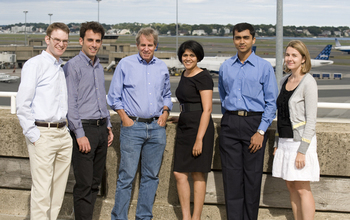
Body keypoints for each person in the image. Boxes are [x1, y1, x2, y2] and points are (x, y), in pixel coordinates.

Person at [107, 27, 172, 220]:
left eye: (150, 45)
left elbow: (167, 95)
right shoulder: (125, 64)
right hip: (132, 127)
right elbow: (113, 96)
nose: (146, 48)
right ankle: (119, 217)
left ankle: (144, 217)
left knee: (151, 177)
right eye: (142, 45)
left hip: (156, 128)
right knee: (126, 177)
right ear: (137, 45)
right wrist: (124, 118)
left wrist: (166, 112)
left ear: (155, 46)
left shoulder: (161, 67)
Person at [218, 22, 278, 220]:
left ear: (253, 39)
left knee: (252, 179)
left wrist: (261, 132)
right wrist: (228, 122)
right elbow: (224, 96)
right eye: (237, 37)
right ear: (233, 40)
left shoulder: (264, 67)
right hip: (230, 124)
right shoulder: (226, 67)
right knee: (231, 178)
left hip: (254, 124)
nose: (241, 41)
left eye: (245, 37)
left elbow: (271, 103)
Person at [16, 22, 72, 220]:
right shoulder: (35, 64)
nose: (61, 44)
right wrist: (34, 136)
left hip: (62, 134)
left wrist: (65, 134)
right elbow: (22, 104)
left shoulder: (59, 67)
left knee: (57, 192)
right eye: (57, 40)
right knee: (41, 191)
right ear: (47, 39)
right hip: (43, 134)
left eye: (64, 41)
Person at [63, 21, 114, 220]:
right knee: (84, 185)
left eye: (97, 41)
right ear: (81, 40)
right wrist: (79, 134)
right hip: (84, 130)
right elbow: (71, 104)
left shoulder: (98, 66)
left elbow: (101, 97)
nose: (94, 44)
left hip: (101, 129)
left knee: (95, 183)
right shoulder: (72, 67)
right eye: (90, 40)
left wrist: (108, 125)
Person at [272, 40, 320, 220]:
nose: (289, 59)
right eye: (287, 54)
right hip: (285, 142)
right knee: (291, 186)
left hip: (300, 143)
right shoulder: (285, 80)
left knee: (302, 188)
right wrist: (277, 142)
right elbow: (282, 114)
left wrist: (302, 151)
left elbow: (311, 121)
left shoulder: (308, 82)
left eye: (294, 55)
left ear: (303, 59)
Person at [170, 40, 214, 220]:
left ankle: (196, 218)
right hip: (184, 126)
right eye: (185, 55)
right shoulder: (185, 74)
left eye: (192, 55)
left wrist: (199, 139)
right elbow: (189, 103)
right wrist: (181, 117)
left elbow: (207, 109)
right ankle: (186, 217)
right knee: (179, 173)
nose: (188, 58)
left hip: (199, 129)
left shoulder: (203, 76)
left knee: (197, 174)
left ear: (198, 57)